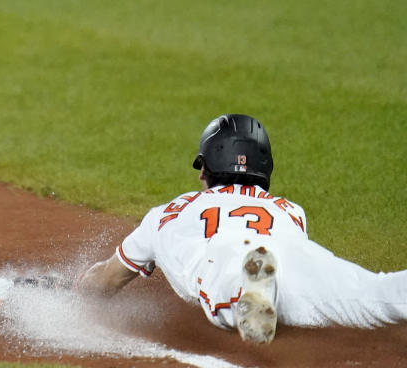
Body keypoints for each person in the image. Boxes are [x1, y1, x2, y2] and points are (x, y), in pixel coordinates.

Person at [75, 114, 407, 344]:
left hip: (226, 256)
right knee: (373, 293)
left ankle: (252, 290)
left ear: (207, 168)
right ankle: (261, 288)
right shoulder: (291, 211)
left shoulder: (167, 213)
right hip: (294, 257)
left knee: (224, 281)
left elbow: (108, 279)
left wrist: (76, 288)